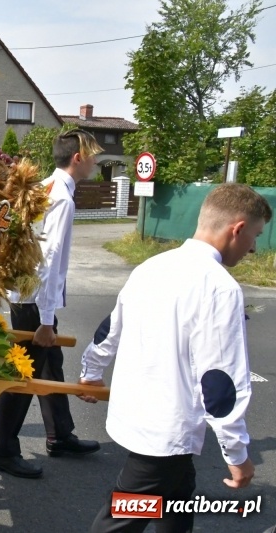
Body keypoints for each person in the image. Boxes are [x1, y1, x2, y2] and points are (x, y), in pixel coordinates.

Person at [79, 183, 270, 533]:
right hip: (165, 431)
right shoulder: (220, 287)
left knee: (177, 498)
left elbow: (111, 326)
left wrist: (92, 369)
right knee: (122, 518)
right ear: (238, 228)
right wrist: (237, 454)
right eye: (255, 236)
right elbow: (220, 381)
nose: (254, 247)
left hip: (139, 416)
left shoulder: (152, 266)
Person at [0, 129, 103, 479]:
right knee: (24, 373)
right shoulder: (62, 198)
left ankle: (60, 434)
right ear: (78, 158)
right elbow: (49, 261)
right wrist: (47, 320)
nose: (96, 163)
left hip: (27, 294)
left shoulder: (44, 187)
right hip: (35, 299)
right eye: (93, 156)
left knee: (50, 364)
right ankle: (2, 449)